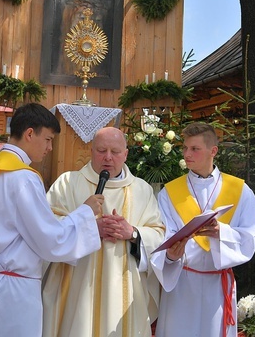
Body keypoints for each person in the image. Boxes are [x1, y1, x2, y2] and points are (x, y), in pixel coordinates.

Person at [0, 103, 103, 337]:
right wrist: (85, 212)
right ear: (29, 134)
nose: (49, 148)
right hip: (12, 293)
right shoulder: (23, 178)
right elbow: (50, 239)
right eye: (47, 139)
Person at [42, 126, 165, 337]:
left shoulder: (142, 190)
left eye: (115, 152)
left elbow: (159, 235)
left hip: (125, 290)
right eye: (101, 150)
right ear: (91, 151)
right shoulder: (67, 184)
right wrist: (89, 227)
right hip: (77, 289)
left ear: (125, 154)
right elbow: (47, 227)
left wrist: (133, 233)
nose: (108, 157)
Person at [150, 122, 255, 337]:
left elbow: (253, 231)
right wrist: (172, 257)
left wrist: (222, 232)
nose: (187, 154)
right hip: (182, 285)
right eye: (185, 148)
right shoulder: (170, 192)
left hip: (217, 285)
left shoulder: (239, 190)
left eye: (194, 149)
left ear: (213, 151)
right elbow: (161, 235)